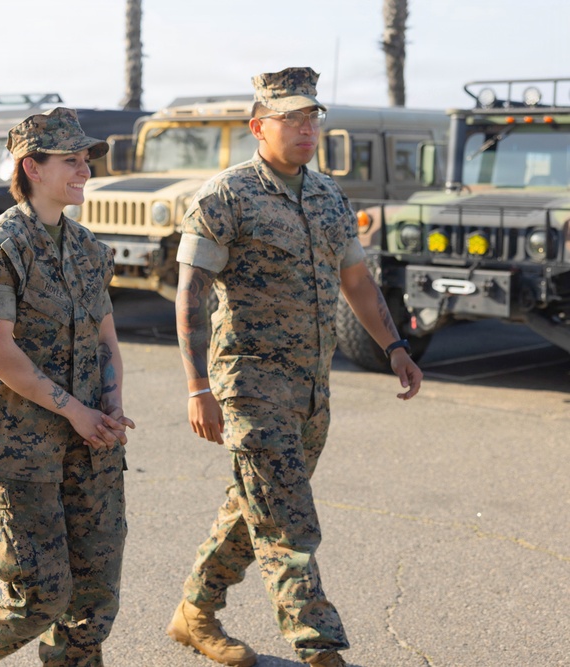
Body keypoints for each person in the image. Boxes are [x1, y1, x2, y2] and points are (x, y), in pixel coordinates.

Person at [166, 68, 423, 667]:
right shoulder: (224, 196)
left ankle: (194, 611)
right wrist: (197, 387)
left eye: (313, 119)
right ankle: (320, 646)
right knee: (289, 523)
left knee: (255, 503)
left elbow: (356, 280)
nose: (308, 130)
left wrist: (395, 348)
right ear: (259, 126)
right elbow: (190, 296)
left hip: (310, 387)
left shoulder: (329, 195)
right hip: (249, 385)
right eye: (293, 119)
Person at [0, 107, 135, 667]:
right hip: (20, 446)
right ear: (31, 166)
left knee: (94, 596)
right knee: (36, 596)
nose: (84, 171)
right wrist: (74, 410)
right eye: (71, 161)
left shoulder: (84, 246)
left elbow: (106, 340)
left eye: (86, 161)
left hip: (91, 442)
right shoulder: (0, 245)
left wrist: (111, 407)